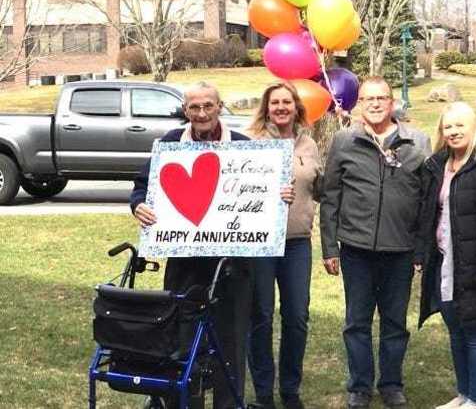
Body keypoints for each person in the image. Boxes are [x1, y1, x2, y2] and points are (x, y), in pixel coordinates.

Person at [130, 81, 294, 409]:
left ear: (219, 107)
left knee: (231, 341)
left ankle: (227, 404)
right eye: (194, 107)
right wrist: (138, 205)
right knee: (182, 337)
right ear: (185, 110)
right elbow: (141, 187)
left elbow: (265, 193)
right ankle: (184, 402)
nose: (202, 114)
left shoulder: (245, 146)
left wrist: (279, 197)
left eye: (208, 106)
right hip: (185, 263)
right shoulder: (170, 144)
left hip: (232, 264)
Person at [320, 76, 431, 409]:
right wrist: (329, 247)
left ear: (393, 101)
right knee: (357, 322)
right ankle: (360, 386)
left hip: (401, 250)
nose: (375, 103)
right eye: (368, 98)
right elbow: (330, 197)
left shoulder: (417, 142)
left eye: (382, 97)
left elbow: (427, 202)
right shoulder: (344, 141)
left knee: (395, 323)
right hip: (356, 249)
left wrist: (421, 250)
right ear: (359, 103)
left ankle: (392, 383)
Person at [416, 102, 476, 409]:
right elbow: (428, 213)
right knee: (455, 331)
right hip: (444, 262)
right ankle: (464, 394)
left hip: (474, 265)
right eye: (448, 126)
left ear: (474, 127)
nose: (454, 132)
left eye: (460, 125)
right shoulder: (438, 164)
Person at [245, 82, 322, 409]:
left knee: (297, 317)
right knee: (260, 316)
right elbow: (237, 190)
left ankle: (290, 389)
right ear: (266, 107)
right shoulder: (250, 143)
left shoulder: (309, 145)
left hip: (297, 244)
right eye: (274, 102)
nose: (280, 107)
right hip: (261, 244)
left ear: (296, 107)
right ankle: (264, 392)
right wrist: (267, 194)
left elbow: (320, 189)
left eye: (286, 102)